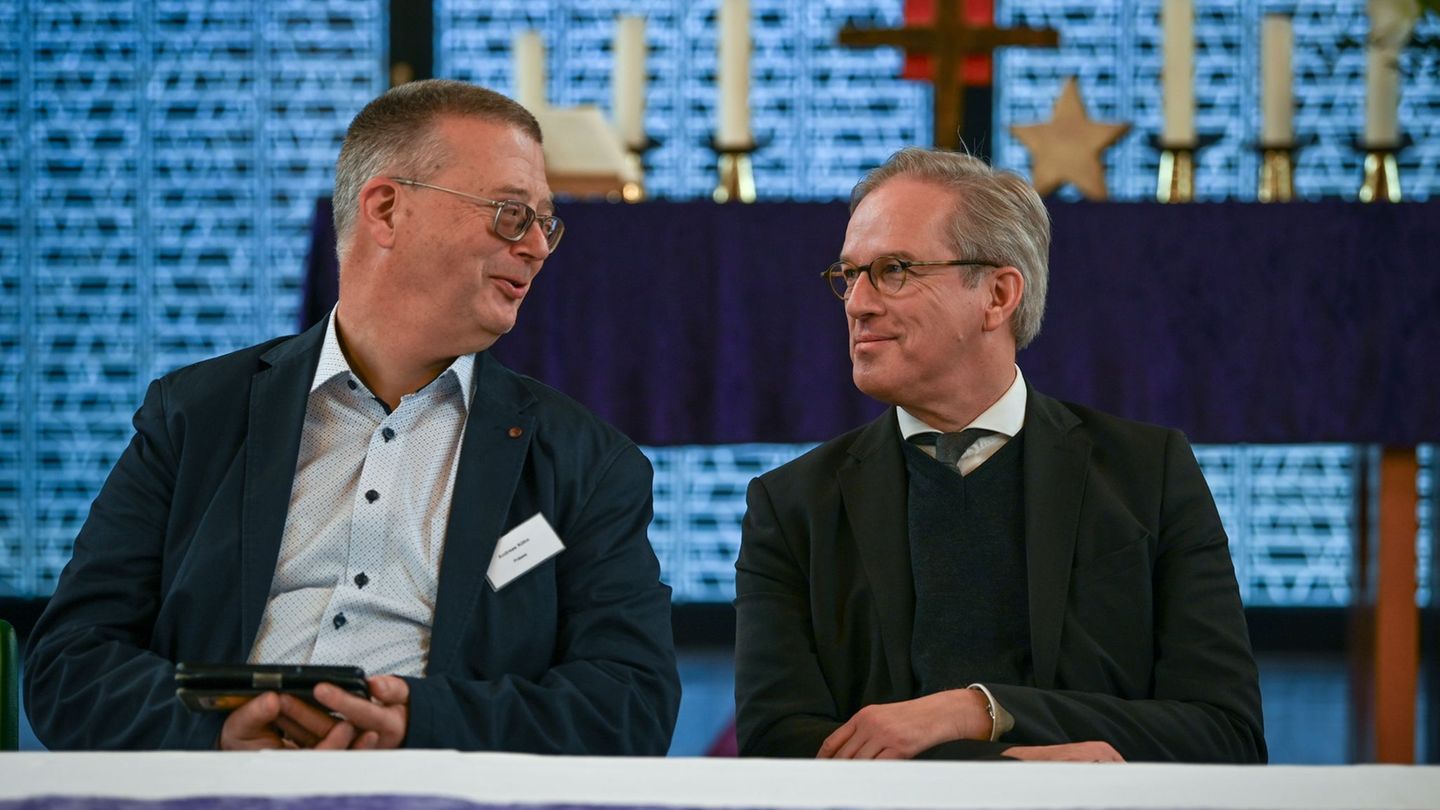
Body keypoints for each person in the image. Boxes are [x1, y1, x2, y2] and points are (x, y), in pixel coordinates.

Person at [25, 80, 681, 753]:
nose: (537, 247)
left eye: (547, 224)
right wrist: (212, 734)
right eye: (512, 214)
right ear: (387, 209)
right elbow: (68, 665)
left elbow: (631, 704)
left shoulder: (584, 462)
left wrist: (420, 725)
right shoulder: (196, 416)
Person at [733, 148, 1265, 763]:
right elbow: (782, 749)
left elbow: (1228, 738)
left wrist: (978, 710)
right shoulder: (791, 506)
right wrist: (1016, 770)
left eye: (894, 270)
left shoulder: (1149, 475)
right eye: (849, 275)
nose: (857, 303)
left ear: (998, 294)